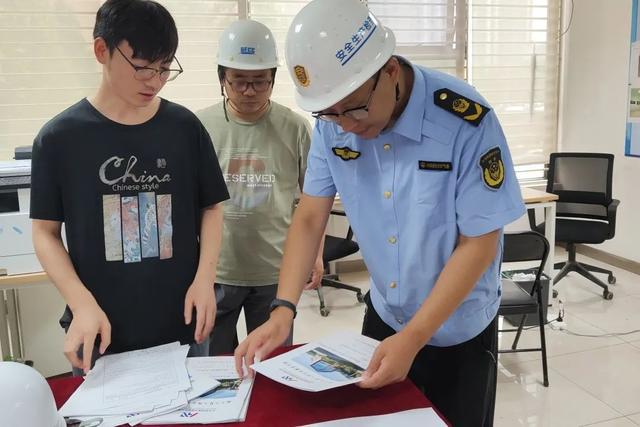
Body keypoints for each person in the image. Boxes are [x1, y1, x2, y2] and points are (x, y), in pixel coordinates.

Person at [234, 1, 526, 425]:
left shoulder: (465, 121)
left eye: (353, 108)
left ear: (389, 70)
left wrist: (414, 338)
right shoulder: (335, 121)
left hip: (457, 328)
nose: (345, 125)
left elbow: (479, 242)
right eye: (328, 113)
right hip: (387, 315)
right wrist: (283, 309)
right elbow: (310, 216)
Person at [30, 0, 229, 375]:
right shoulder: (60, 138)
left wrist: (206, 279)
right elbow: (44, 233)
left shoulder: (184, 128)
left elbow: (212, 207)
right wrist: (81, 303)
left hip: (181, 321)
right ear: (101, 50)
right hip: (101, 329)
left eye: (165, 67)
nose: (154, 80)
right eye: (142, 67)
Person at [197, 19, 324, 356]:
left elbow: (315, 201)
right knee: (215, 366)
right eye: (239, 82)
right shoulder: (200, 127)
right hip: (219, 270)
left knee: (273, 363)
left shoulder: (295, 127)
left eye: (259, 82)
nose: (249, 91)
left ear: (272, 79)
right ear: (223, 78)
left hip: (277, 270)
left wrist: (317, 254)